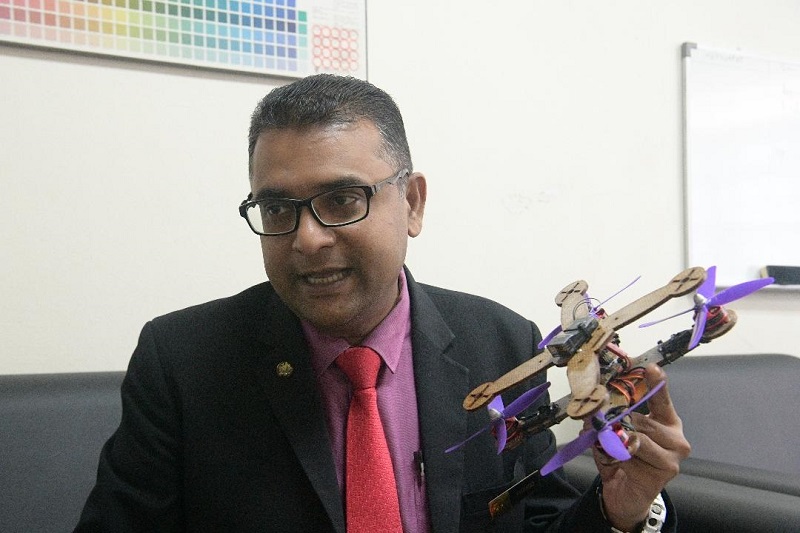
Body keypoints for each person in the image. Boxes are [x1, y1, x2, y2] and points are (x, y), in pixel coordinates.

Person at [75, 74, 689, 532]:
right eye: (278, 208)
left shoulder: (501, 343)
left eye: (342, 200)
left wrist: (622, 512)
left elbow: (536, 522)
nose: (307, 238)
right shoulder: (183, 361)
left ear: (413, 204)